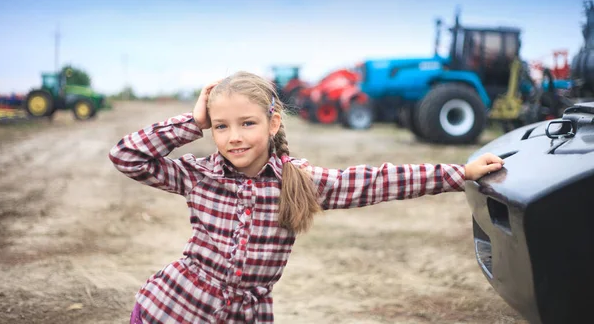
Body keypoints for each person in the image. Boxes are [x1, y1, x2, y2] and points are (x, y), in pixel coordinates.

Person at [109, 71, 504, 324]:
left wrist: (459, 174)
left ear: (273, 121)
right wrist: (191, 123)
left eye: (247, 123)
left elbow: (377, 181)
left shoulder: (297, 181)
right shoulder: (199, 176)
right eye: (220, 126)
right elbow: (126, 156)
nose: (234, 137)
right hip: (171, 310)